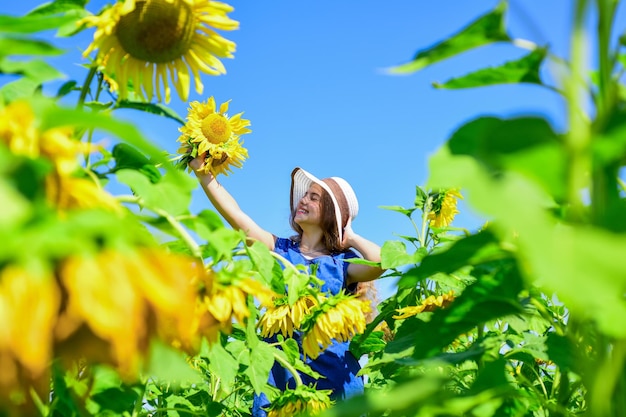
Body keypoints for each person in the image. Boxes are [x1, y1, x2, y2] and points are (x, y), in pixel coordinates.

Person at [189, 155, 385, 415]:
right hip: (281, 375)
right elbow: (237, 218)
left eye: (314, 197)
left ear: (331, 214)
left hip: (334, 377)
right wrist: (205, 175)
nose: (303, 200)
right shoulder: (279, 250)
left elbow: (380, 263)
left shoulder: (342, 264)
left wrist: (350, 236)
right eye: (305, 195)